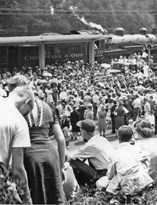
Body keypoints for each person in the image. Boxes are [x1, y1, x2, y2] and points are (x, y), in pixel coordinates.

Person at [7, 75, 66, 204]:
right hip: (51, 155)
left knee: (35, 197)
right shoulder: (47, 106)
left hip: (27, 157)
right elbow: (61, 139)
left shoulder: (14, 109)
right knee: (54, 196)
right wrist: (61, 167)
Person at [0, 84, 34, 204]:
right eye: (27, 112)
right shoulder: (19, 120)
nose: (25, 115)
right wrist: (27, 198)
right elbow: (18, 170)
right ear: (27, 102)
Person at [104, 125, 153, 196]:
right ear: (132, 137)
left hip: (125, 183)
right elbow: (147, 156)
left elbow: (109, 176)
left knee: (116, 172)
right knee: (141, 162)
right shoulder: (136, 148)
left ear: (118, 137)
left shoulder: (114, 153)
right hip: (140, 180)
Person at [68, 119, 114, 186]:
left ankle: (86, 187)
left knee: (74, 162)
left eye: (80, 130)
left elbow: (70, 157)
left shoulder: (91, 145)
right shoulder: (101, 139)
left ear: (84, 131)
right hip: (111, 170)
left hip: (104, 174)